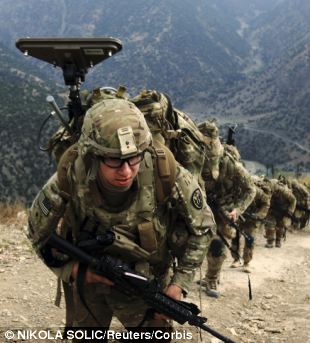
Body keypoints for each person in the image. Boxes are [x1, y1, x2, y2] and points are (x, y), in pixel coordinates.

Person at [27, 98, 215, 341]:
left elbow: (204, 228)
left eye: (134, 158)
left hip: (149, 283)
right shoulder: (72, 173)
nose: (126, 171)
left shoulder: (164, 169)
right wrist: (73, 270)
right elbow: (36, 232)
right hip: (91, 283)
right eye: (114, 160)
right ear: (92, 154)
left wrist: (177, 285)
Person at [197, 141, 256, 297]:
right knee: (202, 244)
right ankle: (210, 275)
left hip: (225, 212)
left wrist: (237, 209)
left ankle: (212, 279)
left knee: (218, 244)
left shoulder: (233, 167)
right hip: (204, 207)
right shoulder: (197, 157)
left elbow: (251, 190)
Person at [230, 175, 271, 273]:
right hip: (239, 217)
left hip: (252, 220)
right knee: (235, 238)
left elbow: (266, 204)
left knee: (249, 239)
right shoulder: (238, 190)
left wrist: (258, 215)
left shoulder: (258, 192)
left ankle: (246, 262)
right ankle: (236, 259)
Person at [264, 177, 296, 248]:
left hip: (283, 210)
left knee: (280, 226)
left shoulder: (284, 191)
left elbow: (293, 200)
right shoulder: (267, 188)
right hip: (272, 209)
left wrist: (289, 212)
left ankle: (278, 241)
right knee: (269, 224)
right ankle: (270, 241)